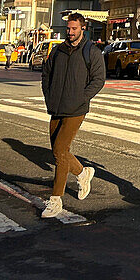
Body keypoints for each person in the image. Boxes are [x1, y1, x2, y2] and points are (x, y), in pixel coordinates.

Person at [40, 13, 105, 219]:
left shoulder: (91, 52)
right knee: (58, 150)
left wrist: (81, 98)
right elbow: (46, 73)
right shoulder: (58, 50)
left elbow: (98, 79)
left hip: (76, 109)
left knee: (60, 150)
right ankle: (82, 173)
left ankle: (55, 200)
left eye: (74, 29)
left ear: (82, 29)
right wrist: (49, 96)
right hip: (56, 107)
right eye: (68, 29)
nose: (70, 32)